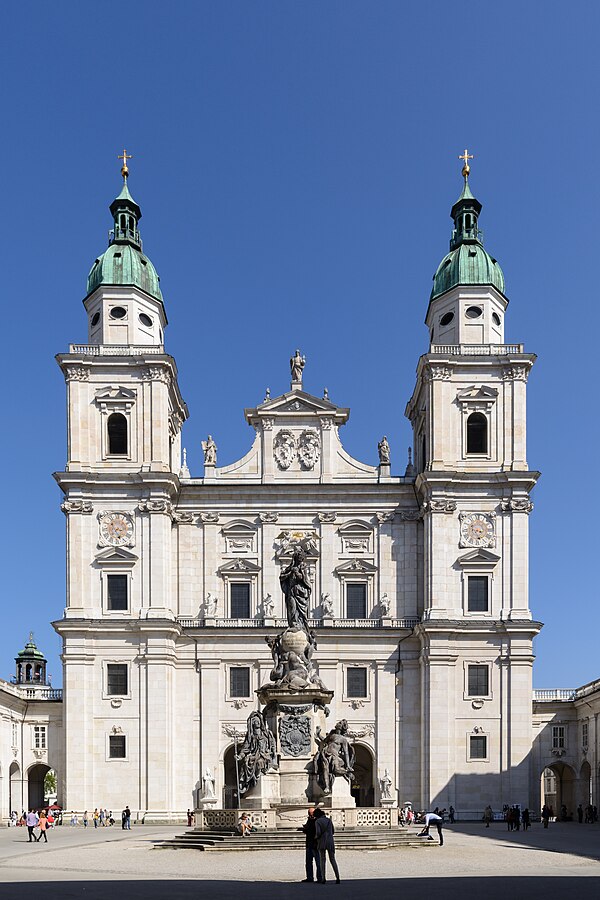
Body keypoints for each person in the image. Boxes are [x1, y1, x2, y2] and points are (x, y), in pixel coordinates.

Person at [314, 809, 340, 884]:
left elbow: (318, 832)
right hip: (330, 841)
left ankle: (323, 878)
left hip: (322, 842)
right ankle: (337, 877)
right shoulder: (328, 820)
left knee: (322, 860)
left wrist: (316, 837)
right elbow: (333, 831)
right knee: (332, 859)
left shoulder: (318, 821)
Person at [300, 807, 323, 884]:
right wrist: (305, 829)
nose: (310, 815)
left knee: (318, 862)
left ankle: (320, 877)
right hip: (309, 843)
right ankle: (310, 877)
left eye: (311, 813)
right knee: (308, 862)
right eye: (309, 813)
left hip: (316, 844)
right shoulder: (310, 820)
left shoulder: (317, 821)